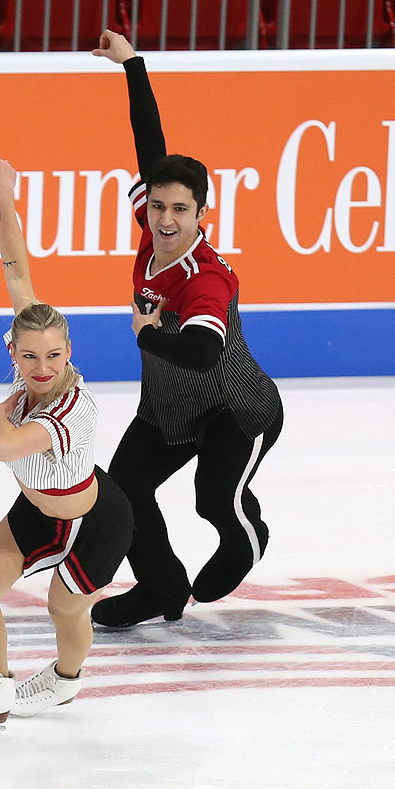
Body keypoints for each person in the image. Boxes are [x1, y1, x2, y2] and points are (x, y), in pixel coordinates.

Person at [0, 158, 135, 736]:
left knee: (64, 607)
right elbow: (18, 269)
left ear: (69, 351)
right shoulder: (32, 345)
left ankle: (65, 680)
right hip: (41, 508)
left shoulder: (70, 411)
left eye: (53, 355)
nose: (42, 367)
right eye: (29, 356)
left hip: (94, 520)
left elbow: (4, 446)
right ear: (15, 352)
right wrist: (5, 199)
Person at [90, 31, 284, 628]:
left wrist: (147, 336)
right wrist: (132, 65)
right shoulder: (153, 235)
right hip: (170, 410)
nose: (167, 219)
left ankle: (247, 538)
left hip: (236, 409)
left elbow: (202, 351)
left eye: (181, 210)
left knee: (213, 499)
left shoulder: (208, 280)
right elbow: (150, 142)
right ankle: (161, 588)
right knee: (121, 494)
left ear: (204, 213)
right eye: (158, 207)